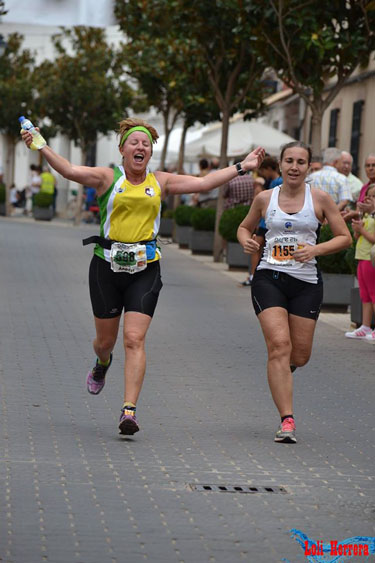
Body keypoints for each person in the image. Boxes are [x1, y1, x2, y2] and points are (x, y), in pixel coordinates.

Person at [21, 117, 265, 436]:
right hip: (105, 268)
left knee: (134, 339)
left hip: (145, 268)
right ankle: (102, 363)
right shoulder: (107, 177)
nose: (140, 147)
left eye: (146, 144)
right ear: (122, 149)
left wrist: (241, 166)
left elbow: (203, 183)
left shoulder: (160, 180)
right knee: (105, 342)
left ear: (150, 153)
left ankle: (129, 410)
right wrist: (41, 145)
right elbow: (68, 169)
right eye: (134, 142)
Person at [237, 141, 352, 444]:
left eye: (301, 162)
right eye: (289, 160)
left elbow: (345, 238)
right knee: (279, 345)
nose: (294, 167)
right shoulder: (265, 198)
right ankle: (287, 420)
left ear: (308, 167)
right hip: (269, 277)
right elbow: (244, 227)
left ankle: (281, 372)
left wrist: (315, 249)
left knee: (299, 354)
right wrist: (246, 241)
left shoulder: (320, 199)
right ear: (282, 163)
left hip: (306, 282)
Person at [242, 157, 283, 287]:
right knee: (261, 247)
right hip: (266, 222)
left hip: (267, 222)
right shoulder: (274, 181)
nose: (263, 174)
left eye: (263, 170)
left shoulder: (277, 182)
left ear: (269, 169)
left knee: (257, 247)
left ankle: (255, 274)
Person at [345, 183, 375, 341]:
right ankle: (365, 326)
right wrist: (357, 230)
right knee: (365, 295)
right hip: (362, 257)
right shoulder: (367, 216)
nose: (370, 199)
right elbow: (358, 238)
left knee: (373, 293)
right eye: (368, 196)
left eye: (374, 196)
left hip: (371, 259)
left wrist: (362, 230)